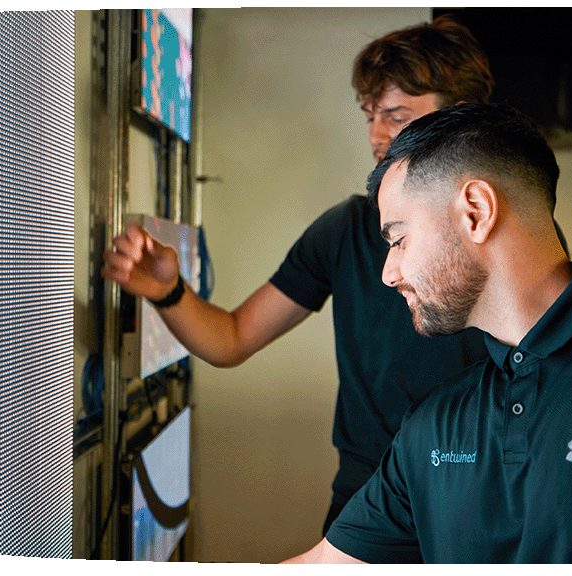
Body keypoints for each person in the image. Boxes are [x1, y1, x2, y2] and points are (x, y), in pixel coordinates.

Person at [284, 103, 572, 563]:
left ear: (476, 211)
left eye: (398, 239)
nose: (389, 272)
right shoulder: (433, 426)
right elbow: (325, 564)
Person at [101, 16, 494, 535]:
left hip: (481, 495)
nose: (378, 136)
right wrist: (170, 292)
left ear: (460, 118)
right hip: (368, 495)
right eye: (370, 115)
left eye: (396, 116)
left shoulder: (500, 223)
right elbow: (231, 339)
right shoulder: (346, 228)